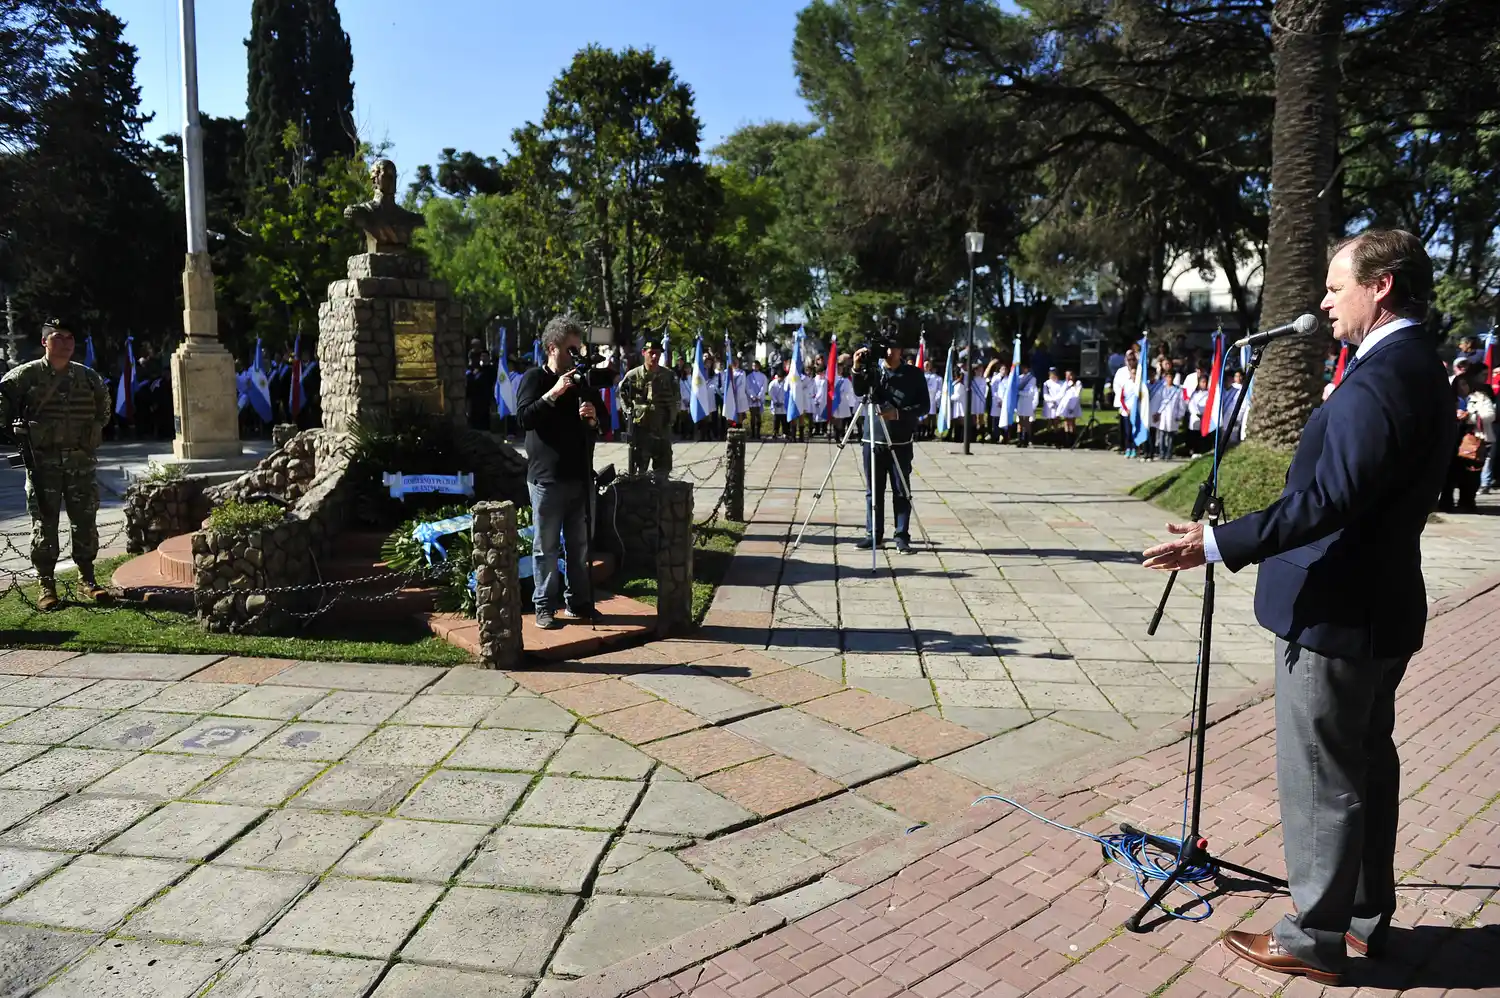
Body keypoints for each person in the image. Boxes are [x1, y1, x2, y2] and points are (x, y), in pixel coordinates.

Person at [1143, 230, 1452, 987]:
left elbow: (1325, 501)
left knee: (1323, 778)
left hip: (1337, 612)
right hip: (1378, 608)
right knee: (1367, 772)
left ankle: (1314, 935)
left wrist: (1219, 542)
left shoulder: (1380, 379)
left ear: (1381, 286)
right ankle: (1361, 922)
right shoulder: (1416, 368)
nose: (1322, 299)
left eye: (1335, 284)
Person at [0, 320, 112, 610]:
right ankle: (46, 585)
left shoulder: (88, 378)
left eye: (70, 338)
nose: (66, 343)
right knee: (44, 523)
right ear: (45, 342)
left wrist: (95, 428)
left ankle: (87, 580)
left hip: (80, 462)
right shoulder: (23, 377)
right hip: (43, 465)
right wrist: (17, 434)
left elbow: (104, 408)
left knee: (85, 521)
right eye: (59, 338)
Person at [515, 315, 602, 631]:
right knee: (546, 549)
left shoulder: (581, 382)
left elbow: (598, 428)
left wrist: (591, 419)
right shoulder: (534, 378)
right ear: (552, 348)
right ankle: (544, 607)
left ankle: (578, 603)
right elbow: (524, 418)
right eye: (570, 350)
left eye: (579, 350)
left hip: (579, 477)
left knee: (579, 547)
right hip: (546, 480)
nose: (576, 357)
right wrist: (554, 393)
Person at [851, 339, 928, 553]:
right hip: (872, 438)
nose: (887, 352)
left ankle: (901, 536)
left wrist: (898, 413)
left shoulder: (913, 374)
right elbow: (859, 391)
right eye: (885, 347)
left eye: (892, 347)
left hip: (900, 439)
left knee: (901, 490)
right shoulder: (873, 371)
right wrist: (857, 368)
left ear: (900, 350)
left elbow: (924, 406)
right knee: (873, 490)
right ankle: (873, 534)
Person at [617, 340, 677, 479]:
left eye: (657, 353)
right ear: (644, 353)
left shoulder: (669, 376)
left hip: (662, 431)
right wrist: (630, 415)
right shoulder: (633, 376)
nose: (654, 357)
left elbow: (676, 399)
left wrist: (671, 418)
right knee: (639, 475)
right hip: (641, 432)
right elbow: (622, 395)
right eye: (651, 353)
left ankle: (660, 499)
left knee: (663, 473)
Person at [1113, 349, 1140, 457]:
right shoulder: (1121, 371)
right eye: (1128, 359)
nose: (1130, 361)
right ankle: (1126, 447)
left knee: (1135, 429)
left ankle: (1135, 448)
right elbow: (1117, 386)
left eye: (1132, 359)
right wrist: (1123, 404)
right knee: (1125, 429)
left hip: (1136, 407)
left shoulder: (1139, 371)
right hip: (1124, 406)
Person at [745, 359, 768, 439]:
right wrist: (752, 396)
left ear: (759, 366)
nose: (755, 367)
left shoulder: (763, 376)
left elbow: (764, 387)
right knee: (752, 416)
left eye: (756, 366)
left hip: (759, 399)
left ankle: (758, 433)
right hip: (752, 399)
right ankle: (752, 432)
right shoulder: (749, 377)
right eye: (753, 366)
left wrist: (759, 396)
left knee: (759, 416)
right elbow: (747, 387)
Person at [922, 359, 942, 441]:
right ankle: (924, 432)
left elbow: (937, 389)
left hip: (932, 399)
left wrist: (937, 398)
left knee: (932, 416)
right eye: (925, 365)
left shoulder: (934, 377)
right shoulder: (921, 375)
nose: (926, 366)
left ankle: (932, 433)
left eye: (928, 365)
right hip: (923, 398)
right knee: (924, 417)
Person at [768, 367, 787, 438]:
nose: (781, 379)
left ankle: (785, 432)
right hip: (776, 404)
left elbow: (786, 393)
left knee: (784, 419)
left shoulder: (785, 383)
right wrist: (775, 401)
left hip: (783, 404)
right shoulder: (772, 383)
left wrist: (782, 402)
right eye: (780, 377)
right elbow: (770, 393)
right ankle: (775, 432)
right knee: (776, 419)